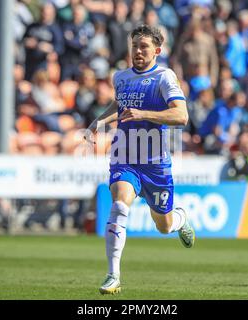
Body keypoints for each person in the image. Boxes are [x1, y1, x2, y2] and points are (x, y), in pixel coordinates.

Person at [85, 25, 195, 295]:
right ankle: (113, 275)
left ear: (157, 50)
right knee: (120, 205)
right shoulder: (121, 77)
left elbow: (181, 116)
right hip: (124, 155)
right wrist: (97, 123)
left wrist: (144, 113)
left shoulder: (164, 77)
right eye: (134, 46)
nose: (137, 51)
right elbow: (120, 106)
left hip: (155, 163)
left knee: (163, 225)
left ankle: (180, 219)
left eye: (144, 46)